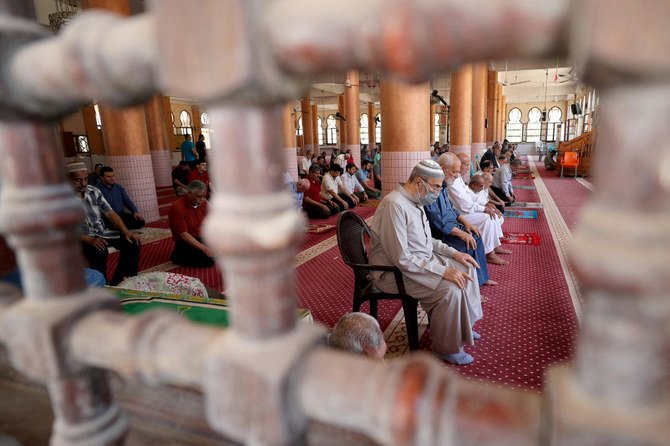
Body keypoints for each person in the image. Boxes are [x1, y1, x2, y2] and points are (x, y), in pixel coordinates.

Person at [369, 159, 483, 365]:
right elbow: (401, 258)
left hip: (419, 262)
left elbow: (426, 240)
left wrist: (453, 254)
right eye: (436, 187)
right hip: (394, 272)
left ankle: (462, 326)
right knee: (451, 289)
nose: (438, 192)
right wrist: (442, 271)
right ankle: (446, 348)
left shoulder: (416, 200)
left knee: (466, 266)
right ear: (420, 183)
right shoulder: (394, 204)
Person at [66, 162, 141, 286]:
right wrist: (89, 239)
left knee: (133, 242)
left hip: (101, 232)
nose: (83, 183)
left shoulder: (93, 191)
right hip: (80, 238)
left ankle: (122, 280)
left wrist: (125, 230)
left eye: (85, 179)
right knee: (99, 250)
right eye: (77, 180)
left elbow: (109, 212)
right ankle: (101, 284)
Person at [424, 169, 495, 288]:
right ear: (442, 168)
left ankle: (482, 279)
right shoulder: (431, 192)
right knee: (469, 241)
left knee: (475, 234)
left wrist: (466, 222)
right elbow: (438, 222)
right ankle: (473, 285)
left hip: (454, 225)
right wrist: (461, 234)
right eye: (454, 171)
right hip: (443, 233)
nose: (457, 175)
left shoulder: (443, 187)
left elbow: (452, 208)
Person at [442, 153, 509, 266]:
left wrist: (487, 204)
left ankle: (495, 246)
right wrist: (484, 209)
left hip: (468, 209)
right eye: (466, 165)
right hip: (461, 213)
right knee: (488, 218)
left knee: (495, 215)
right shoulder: (451, 181)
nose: (468, 168)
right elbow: (464, 204)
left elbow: (470, 195)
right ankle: (490, 254)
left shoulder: (458, 178)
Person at [167, 180, 215, 268]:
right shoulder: (177, 207)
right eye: (198, 196)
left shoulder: (203, 203)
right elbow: (184, 235)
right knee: (207, 261)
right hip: (185, 241)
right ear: (189, 193)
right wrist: (204, 248)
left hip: (200, 236)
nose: (201, 199)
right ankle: (178, 255)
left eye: (203, 196)